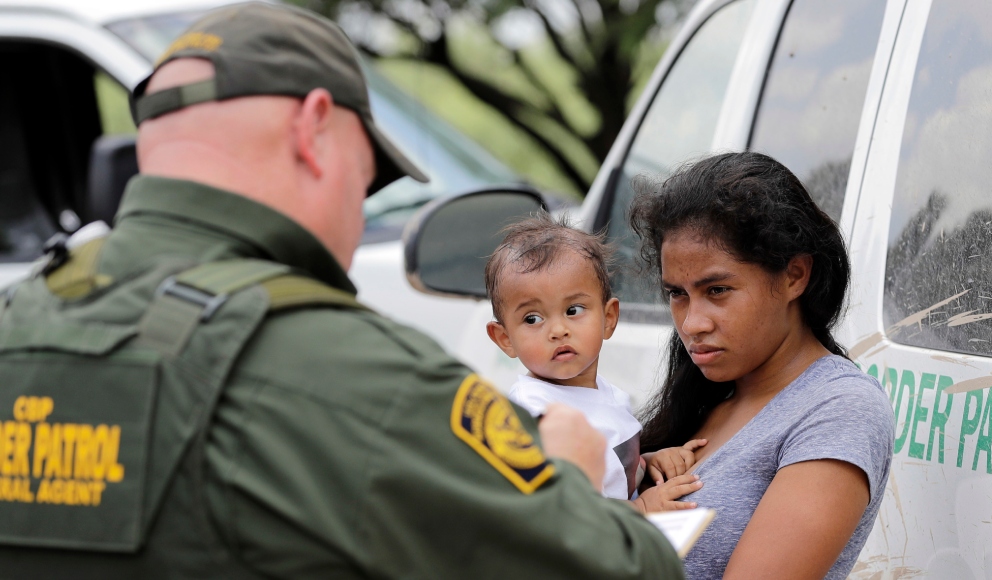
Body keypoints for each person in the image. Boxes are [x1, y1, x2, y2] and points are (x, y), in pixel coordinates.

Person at [0, 4, 684, 579]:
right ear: (313, 129)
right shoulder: (360, 373)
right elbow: (614, 568)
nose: (357, 225)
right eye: (363, 182)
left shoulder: (15, 324)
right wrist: (570, 475)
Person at [629, 151, 893, 579]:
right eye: (677, 294)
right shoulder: (703, 397)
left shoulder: (838, 408)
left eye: (717, 289)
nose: (692, 323)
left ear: (794, 276)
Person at [483, 213, 705, 511]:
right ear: (505, 339)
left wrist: (650, 462)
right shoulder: (537, 415)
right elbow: (567, 513)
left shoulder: (605, 394)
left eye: (573, 310)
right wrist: (642, 509)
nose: (558, 330)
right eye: (532, 318)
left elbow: (609, 472)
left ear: (608, 318)